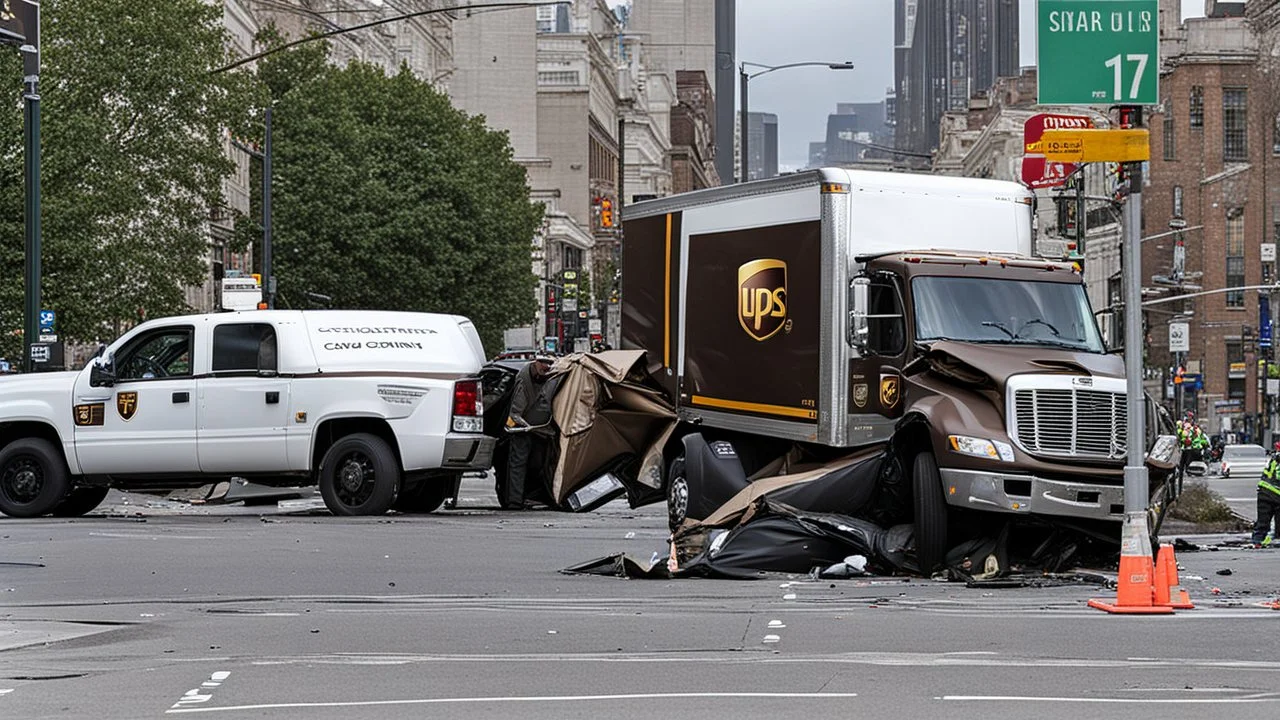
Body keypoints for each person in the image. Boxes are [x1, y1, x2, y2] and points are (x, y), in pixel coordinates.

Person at [505, 355, 553, 509]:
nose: (546, 366)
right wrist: (524, 426)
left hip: (542, 430)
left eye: (550, 363)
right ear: (535, 362)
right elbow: (515, 413)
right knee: (518, 463)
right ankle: (515, 501)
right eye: (543, 362)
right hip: (522, 429)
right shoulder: (524, 381)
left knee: (538, 464)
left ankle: (534, 497)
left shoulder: (552, 377)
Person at [1252, 443, 1280, 547]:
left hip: (1264, 492)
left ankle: (1257, 542)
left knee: (1262, 522)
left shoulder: (1274, 458)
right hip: (1275, 494)